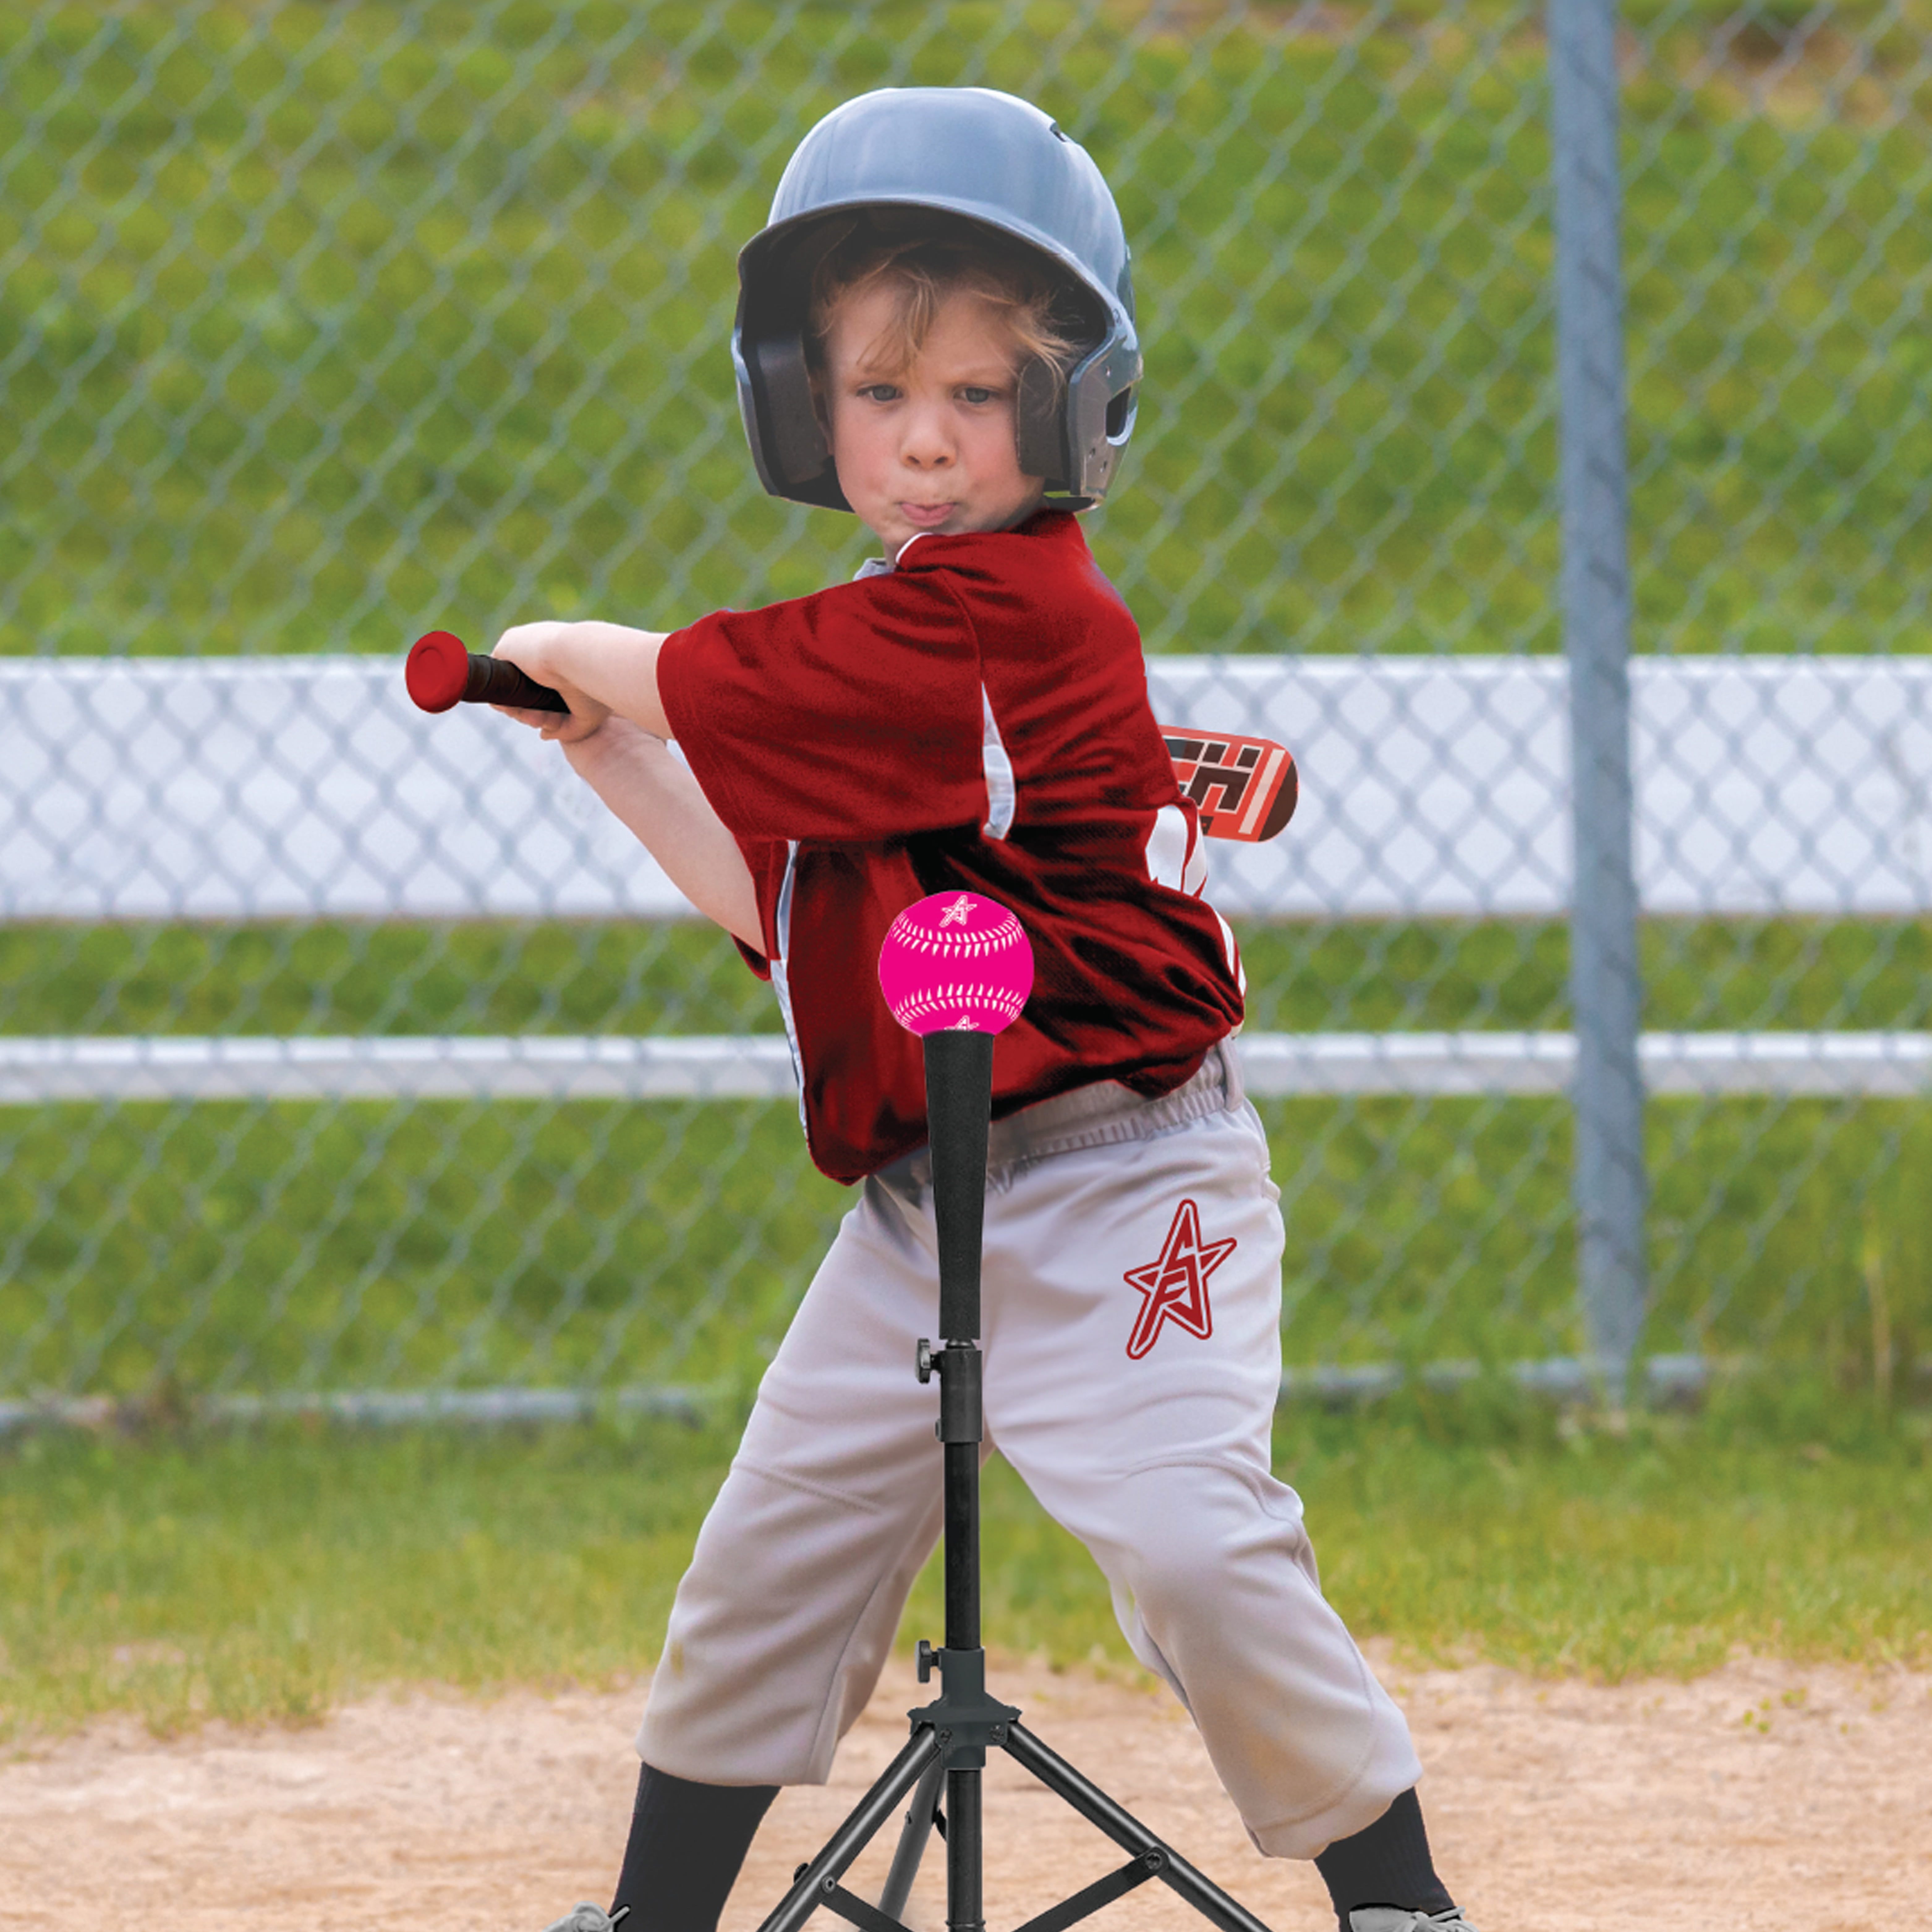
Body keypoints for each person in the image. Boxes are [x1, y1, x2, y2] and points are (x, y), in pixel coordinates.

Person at [493, 86, 1475, 1932]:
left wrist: (579, 654)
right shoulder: (881, 642)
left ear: (1066, 408)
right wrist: (611, 756)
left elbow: (763, 682)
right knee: (771, 1561)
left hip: (1128, 1179)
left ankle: (1397, 1898)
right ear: (806, 405)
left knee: (1194, 1544)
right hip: (920, 1201)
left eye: (974, 396)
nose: (927, 446)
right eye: (881, 394)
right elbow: (784, 907)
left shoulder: (1013, 620)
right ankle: (654, 1917)